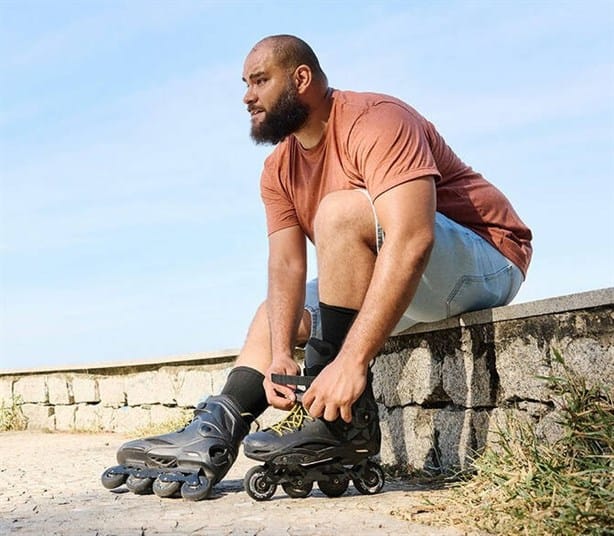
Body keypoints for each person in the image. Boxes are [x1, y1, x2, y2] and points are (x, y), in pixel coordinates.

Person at [101, 34, 532, 501]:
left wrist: (351, 362)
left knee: (339, 213)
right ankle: (219, 426)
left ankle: (337, 426)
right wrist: (282, 351)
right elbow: (287, 263)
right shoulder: (278, 169)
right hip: (409, 280)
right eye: (245, 84)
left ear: (301, 78)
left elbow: (412, 239)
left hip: (486, 261)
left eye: (260, 81)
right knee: (274, 311)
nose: (247, 96)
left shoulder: (377, 120)